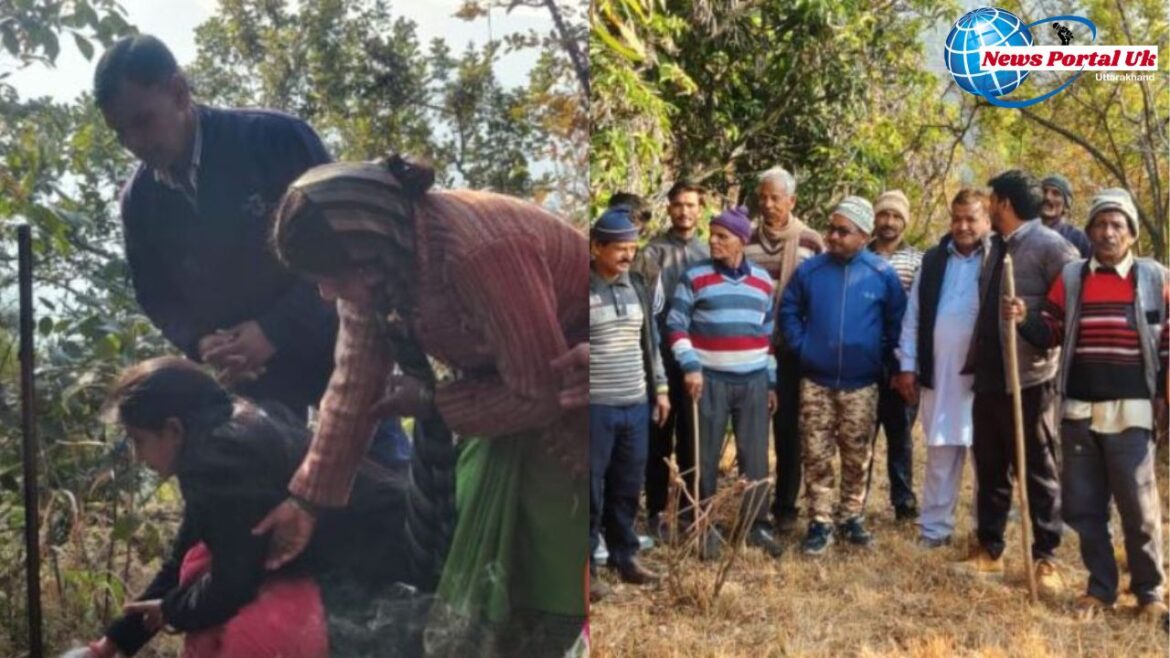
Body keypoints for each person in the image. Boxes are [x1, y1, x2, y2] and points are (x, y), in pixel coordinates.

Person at [261, 156, 588, 656]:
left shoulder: (479, 251)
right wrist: (306, 501)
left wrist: (434, 401)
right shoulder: (380, 275)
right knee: (486, 598)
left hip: (573, 414)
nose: (327, 294)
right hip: (504, 412)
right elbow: (353, 388)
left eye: (333, 276)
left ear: (369, 248)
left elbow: (537, 392)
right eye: (317, 281)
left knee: (544, 596)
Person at [93, 34, 410, 465]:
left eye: (144, 121)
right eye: (120, 132)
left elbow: (343, 248)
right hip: (253, 378)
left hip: (337, 345)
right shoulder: (141, 200)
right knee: (276, 499)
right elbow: (156, 294)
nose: (135, 142)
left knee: (387, 484)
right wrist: (203, 343)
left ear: (179, 92)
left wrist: (273, 330)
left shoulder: (273, 140)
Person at [77, 357, 411, 658]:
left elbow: (232, 583)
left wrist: (172, 610)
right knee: (195, 567)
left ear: (173, 430)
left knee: (243, 631)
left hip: (384, 563)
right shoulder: (222, 435)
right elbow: (188, 549)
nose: (138, 456)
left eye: (139, 440)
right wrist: (114, 643)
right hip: (387, 536)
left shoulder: (216, 461)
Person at [1007, 188, 1168, 619]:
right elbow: (1052, 331)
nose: (1107, 232)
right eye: (1100, 223)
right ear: (1090, 230)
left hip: (1132, 410)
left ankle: (1150, 593)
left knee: (1138, 506)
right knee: (1083, 506)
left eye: (1117, 225)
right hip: (1078, 408)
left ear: (1132, 234)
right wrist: (1024, 319)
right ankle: (1100, 589)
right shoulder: (1074, 277)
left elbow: (1167, 344)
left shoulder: (1155, 277)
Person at [952, 170, 1078, 593]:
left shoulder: (1052, 247)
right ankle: (990, 552)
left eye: (991, 199)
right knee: (990, 468)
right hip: (990, 377)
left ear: (1002, 203)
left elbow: (1067, 313)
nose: (988, 204)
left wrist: (1031, 321)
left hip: (1030, 378)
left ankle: (1046, 559)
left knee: (1038, 470)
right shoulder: (995, 246)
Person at [778, 197, 906, 555]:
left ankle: (851, 516)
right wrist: (804, 347)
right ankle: (820, 522)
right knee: (816, 454)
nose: (832, 236)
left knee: (856, 454)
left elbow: (898, 324)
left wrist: (883, 361)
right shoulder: (811, 271)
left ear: (863, 236)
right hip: (816, 382)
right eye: (831, 228)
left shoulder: (882, 274)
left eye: (842, 231)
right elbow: (789, 309)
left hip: (862, 384)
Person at [666, 206, 781, 559]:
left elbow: (767, 335)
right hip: (708, 380)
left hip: (753, 382)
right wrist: (690, 366)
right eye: (712, 235)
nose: (713, 241)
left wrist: (771, 381)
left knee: (756, 457)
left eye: (722, 236)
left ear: (742, 241)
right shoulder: (694, 277)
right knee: (704, 457)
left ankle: (756, 525)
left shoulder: (763, 281)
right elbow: (675, 325)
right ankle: (704, 525)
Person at [894, 189, 991, 548]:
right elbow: (914, 316)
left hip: (985, 379)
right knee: (940, 454)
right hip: (940, 374)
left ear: (987, 221)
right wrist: (907, 365)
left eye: (971, 219)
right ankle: (935, 530)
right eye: (957, 218)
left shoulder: (999, 259)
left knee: (989, 459)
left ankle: (986, 533)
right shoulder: (933, 261)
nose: (963, 226)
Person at [588, 208, 669, 601]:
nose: (626, 256)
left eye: (632, 248)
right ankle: (585, 569)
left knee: (626, 485)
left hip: (634, 403)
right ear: (595, 247)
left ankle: (625, 556)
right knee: (590, 489)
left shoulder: (635, 284)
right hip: (595, 407)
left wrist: (661, 388)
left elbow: (649, 343)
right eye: (619, 248)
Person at [744, 166, 824, 534]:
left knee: (789, 429)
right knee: (751, 427)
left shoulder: (811, 241)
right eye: (763, 197)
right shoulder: (744, 238)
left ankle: (786, 507)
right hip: (751, 347)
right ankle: (752, 504)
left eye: (775, 197)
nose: (768, 204)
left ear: (792, 200)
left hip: (792, 351)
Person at [631, 180, 710, 539]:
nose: (684, 211)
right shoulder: (652, 252)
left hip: (696, 360)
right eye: (678, 205)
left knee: (693, 439)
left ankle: (689, 511)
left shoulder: (709, 252)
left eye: (691, 205)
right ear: (669, 208)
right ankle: (657, 511)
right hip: (659, 358)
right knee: (659, 438)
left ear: (701, 209)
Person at [867, 190, 923, 522]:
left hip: (902, 360)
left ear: (905, 221)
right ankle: (854, 501)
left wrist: (909, 363)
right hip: (865, 359)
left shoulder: (919, 261)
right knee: (862, 435)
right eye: (884, 215)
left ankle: (903, 501)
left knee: (900, 434)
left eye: (896, 217)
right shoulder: (859, 255)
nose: (889, 222)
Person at [1039, 174, 1091, 258]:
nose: (1047, 197)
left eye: (1056, 193)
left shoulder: (1079, 238)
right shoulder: (1024, 233)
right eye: (1044, 192)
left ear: (1066, 204)